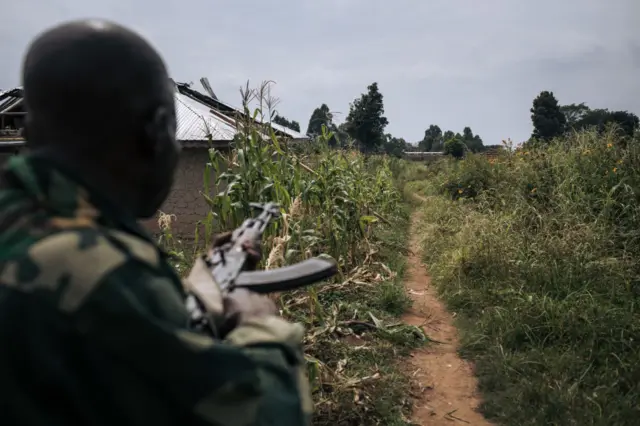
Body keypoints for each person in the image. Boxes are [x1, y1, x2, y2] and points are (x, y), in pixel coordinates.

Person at [0, 19, 312, 425]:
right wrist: (260, 323)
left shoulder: (24, 221)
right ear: (155, 132)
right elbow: (268, 413)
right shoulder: (103, 271)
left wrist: (201, 284)